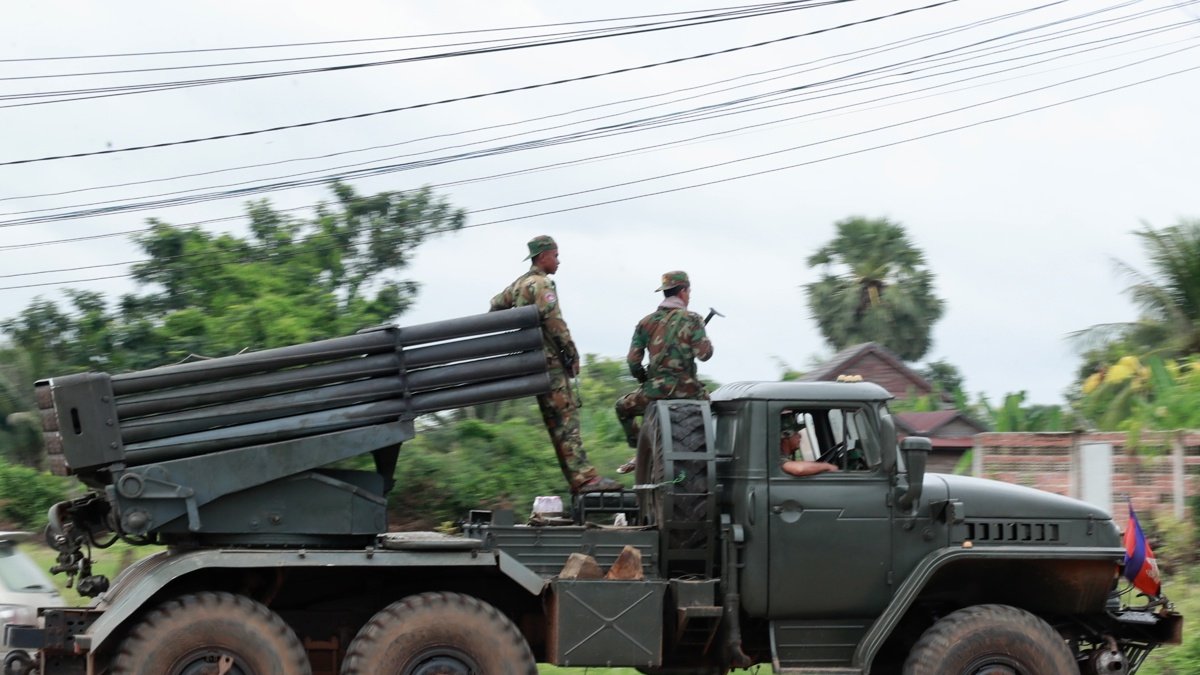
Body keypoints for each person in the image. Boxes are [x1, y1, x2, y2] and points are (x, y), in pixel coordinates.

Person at [490, 235, 621, 494]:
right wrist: (571, 354)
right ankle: (585, 479)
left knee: (554, 423)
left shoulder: (518, 285)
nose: (558, 261)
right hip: (549, 364)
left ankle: (578, 481)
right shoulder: (542, 284)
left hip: (530, 363)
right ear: (543, 256)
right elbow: (555, 323)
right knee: (566, 420)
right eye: (555, 255)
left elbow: (495, 306)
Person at [614, 270, 713, 472]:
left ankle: (641, 449)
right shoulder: (693, 319)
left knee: (622, 408)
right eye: (689, 292)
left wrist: (645, 380)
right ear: (683, 291)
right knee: (713, 408)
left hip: (653, 393)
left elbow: (633, 362)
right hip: (690, 391)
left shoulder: (645, 323)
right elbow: (704, 354)